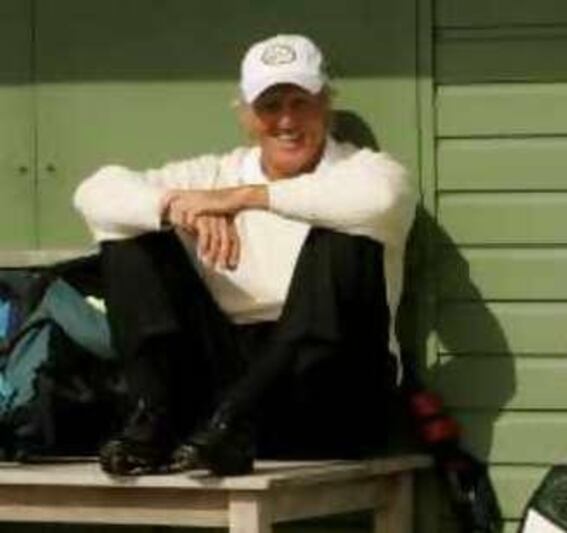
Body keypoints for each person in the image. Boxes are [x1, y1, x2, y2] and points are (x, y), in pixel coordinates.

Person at [73, 34, 416, 475]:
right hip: (220, 410)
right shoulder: (212, 172)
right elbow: (95, 192)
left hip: (329, 398)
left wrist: (240, 199)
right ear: (246, 115)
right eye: (270, 107)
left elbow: (383, 200)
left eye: (301, 102)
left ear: (326, 104)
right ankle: (153, 419)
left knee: (344, 238)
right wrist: (176, 208)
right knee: (130, 234)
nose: (287, 121)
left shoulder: (363, 171)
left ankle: (236, 419)